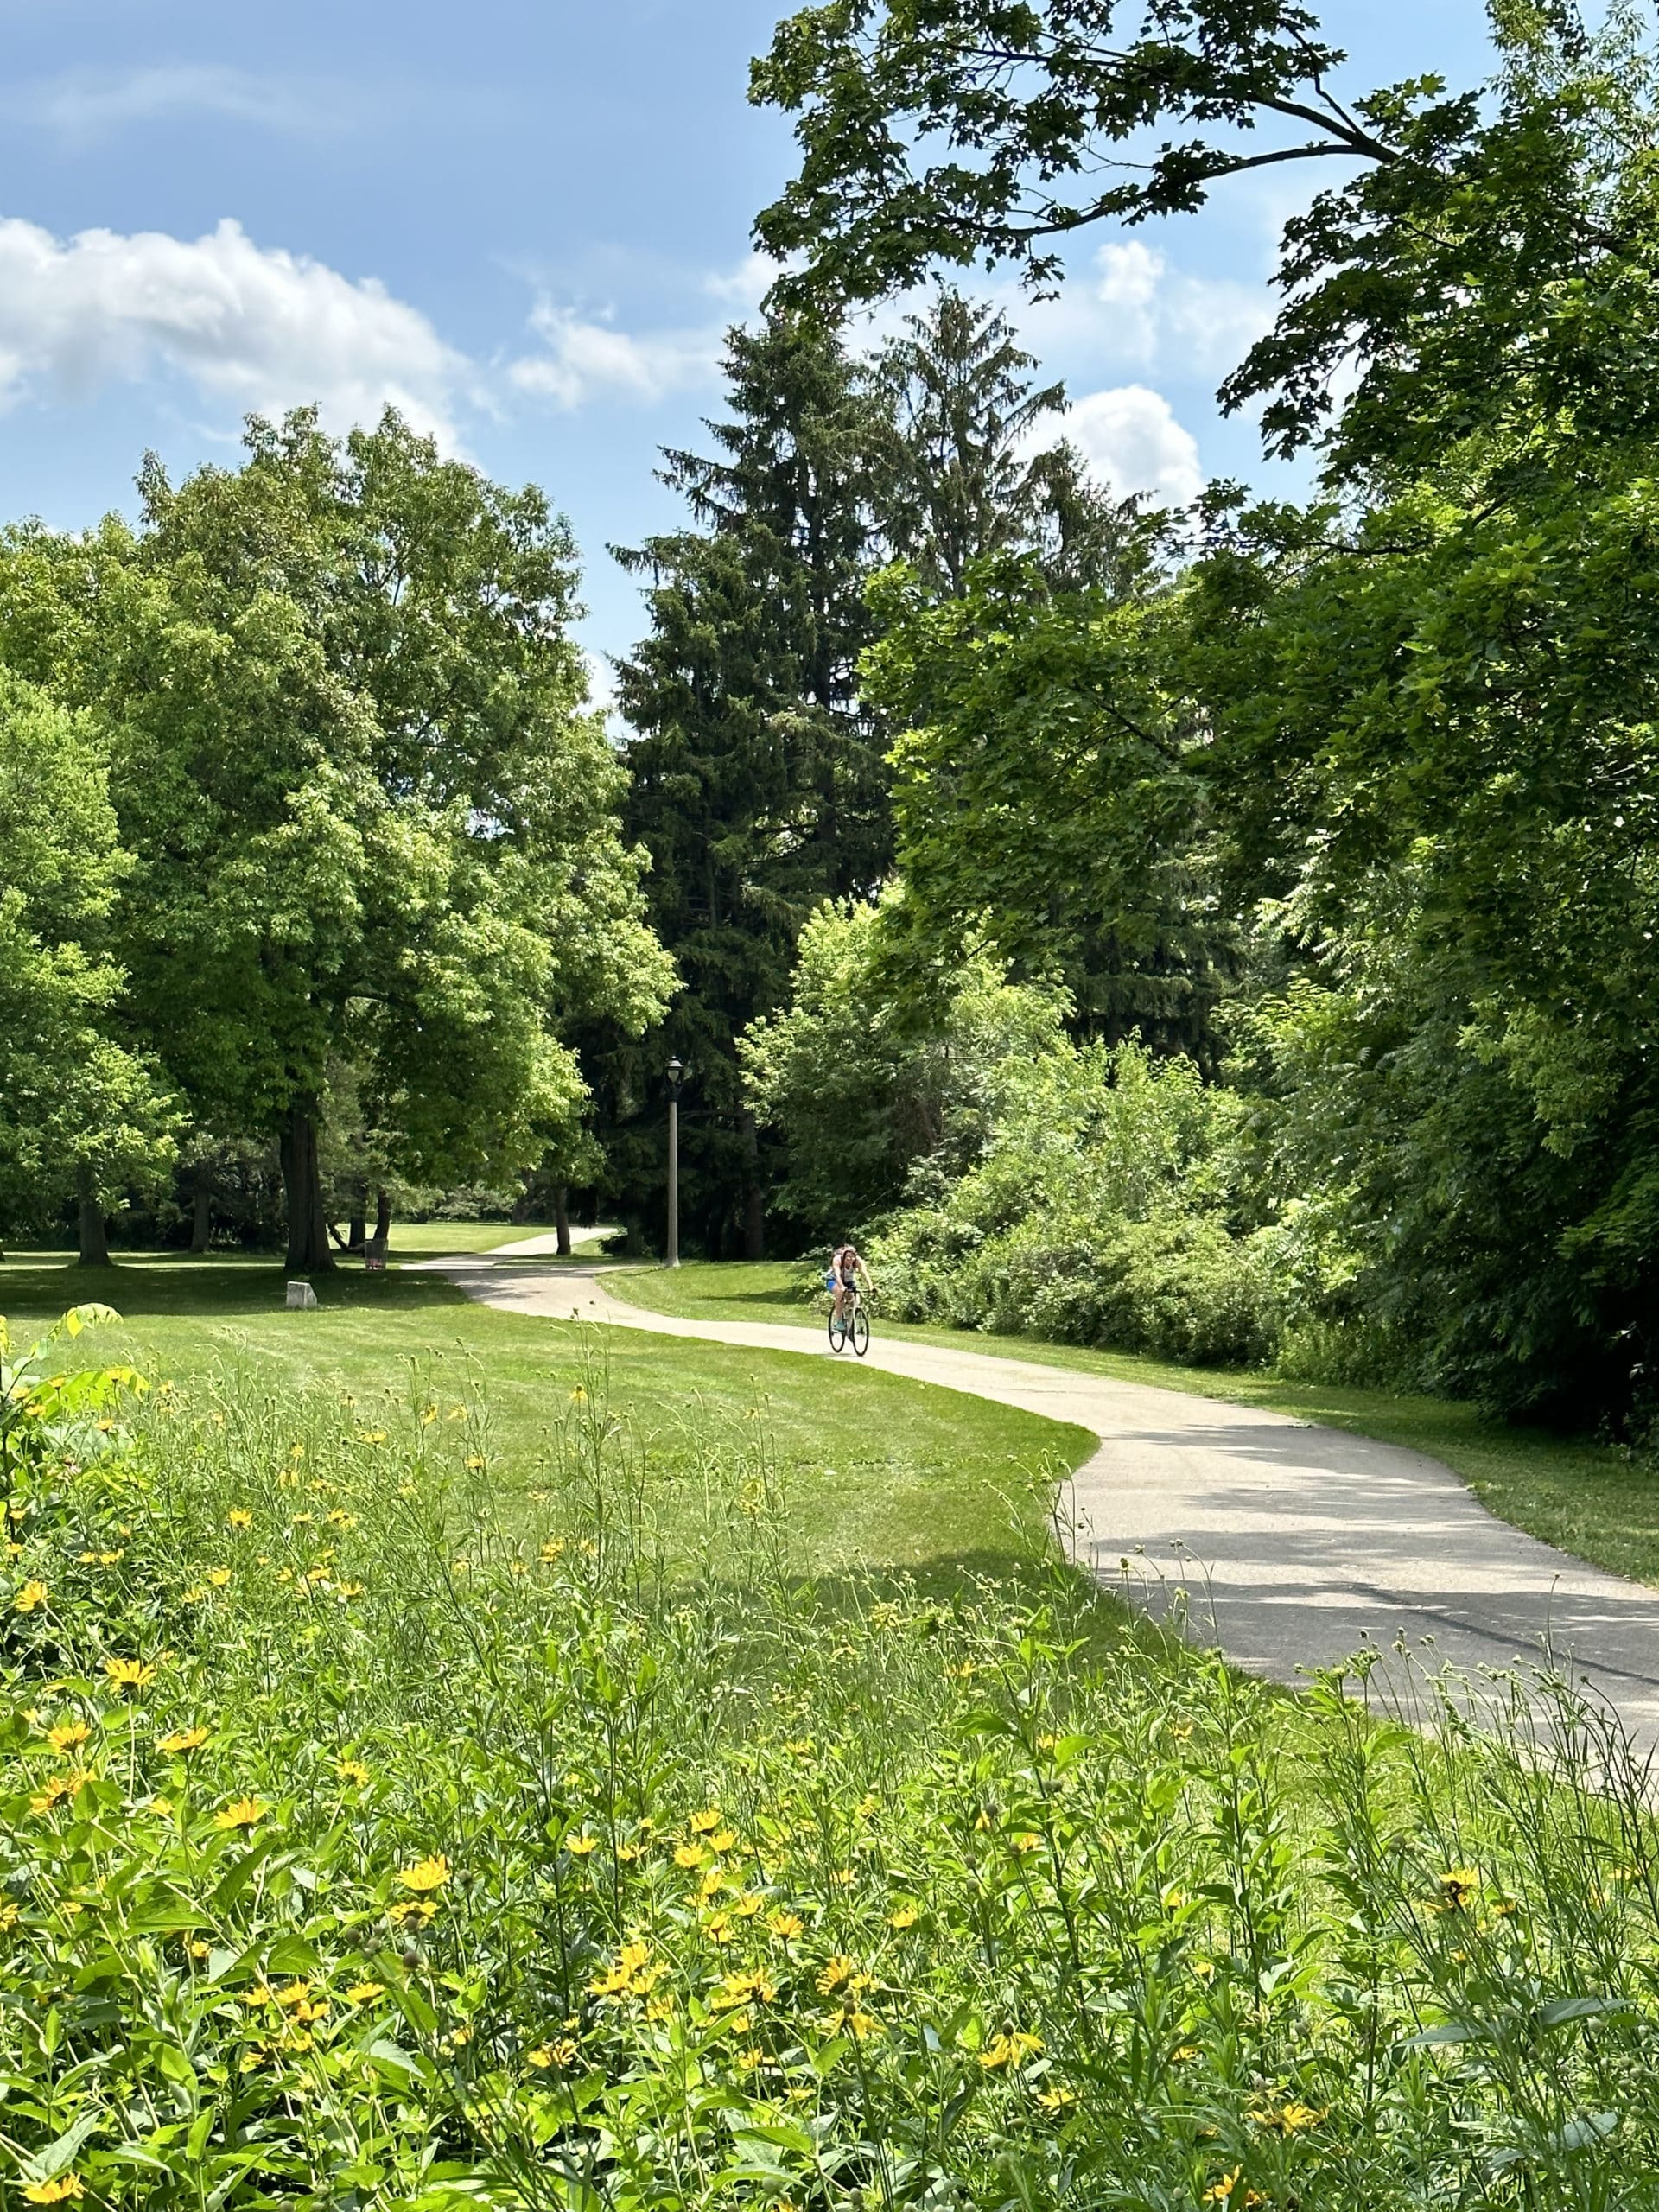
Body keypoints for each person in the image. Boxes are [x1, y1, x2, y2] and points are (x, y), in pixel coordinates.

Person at [825, 1240, 871, 1326]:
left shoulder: (857, 1261)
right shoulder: (837, 1260)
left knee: (854, 1300)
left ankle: (850, 1319)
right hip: (833, 1280)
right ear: (843, 1256)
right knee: (840, 1293)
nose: (850, 1259)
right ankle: (839, 1321)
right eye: (848, 1257)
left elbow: (864, 1273)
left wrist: (871, 1287)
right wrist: (842, 1287)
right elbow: (837, 1275)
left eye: (852, 1257)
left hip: (848, 1281)